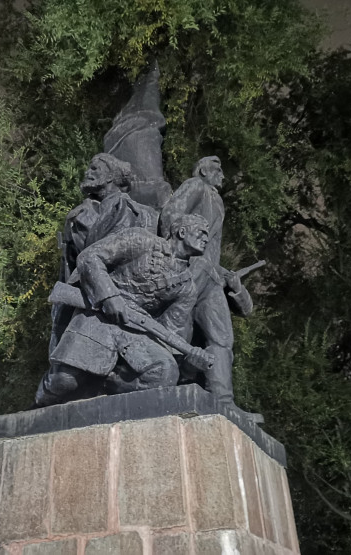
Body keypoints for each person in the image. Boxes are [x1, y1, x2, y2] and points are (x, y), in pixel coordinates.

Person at [34, 215, 211, 407]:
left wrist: (189, 367)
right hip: (98, 314)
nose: (206, 239)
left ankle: (105, 386)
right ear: (182, 232)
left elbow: (170, 335)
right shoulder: (140, 239)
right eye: (202, 233)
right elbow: (90, 257)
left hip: (136, 330)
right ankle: (36, 409)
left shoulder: (187, 288)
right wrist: (109, 296)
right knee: (64, 380)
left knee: (165, 372)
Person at [160, 156, 254, 410]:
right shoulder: (196, 185)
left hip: (211, 275)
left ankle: (223, 401)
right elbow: (170, 215)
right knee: (178, 326)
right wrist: (177, 256)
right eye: (218, 170)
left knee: (222, 338)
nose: (223, 175)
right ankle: (164, 382)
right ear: (203, 170)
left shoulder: (217, 200)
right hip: (191, 267)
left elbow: (212, 252)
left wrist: (226, 277)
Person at [51, 153, 159, 353]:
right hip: (85, 300)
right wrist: (60, 312)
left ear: (110, 176)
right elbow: (67, 269)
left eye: (94, 168)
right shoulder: (76, 217)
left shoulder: (142, 214)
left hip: (127, 302)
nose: (87, 172)